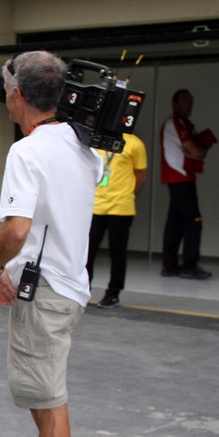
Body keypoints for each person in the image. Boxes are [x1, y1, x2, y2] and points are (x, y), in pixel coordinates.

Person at [0, 51, 104, 437]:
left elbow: (16, 229)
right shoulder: (83, 146)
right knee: (41, 388)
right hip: (70, 281)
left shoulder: (27, 151)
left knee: (48, 397)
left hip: (45, 287)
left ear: (17, 94)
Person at [86, 131, 147, 309]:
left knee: (117, 252)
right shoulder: (98, 140)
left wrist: (129, 195)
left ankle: (114, 292)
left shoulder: (135, 143)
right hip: (96, 205)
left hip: (121, 207)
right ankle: (84, 289)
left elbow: (141, 174)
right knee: (87, 251)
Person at [160, 89, 216, 279]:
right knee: (194, 221)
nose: (189, 104)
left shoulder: (185, 123)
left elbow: (196, 152)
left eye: (191, 101)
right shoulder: (175, 123)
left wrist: (197, 150)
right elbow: (197, 151)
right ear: (175, 104)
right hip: (180, 178)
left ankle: (170, 264)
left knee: (175, 223)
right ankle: (189, 265)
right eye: (185, 101)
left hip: (182, 178)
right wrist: (198, 149)